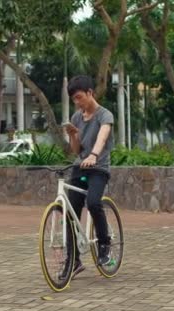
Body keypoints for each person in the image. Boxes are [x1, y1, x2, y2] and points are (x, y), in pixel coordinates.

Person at [61, 75, 115, 279]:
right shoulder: (76, 117)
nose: (77, 102)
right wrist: (73, 135)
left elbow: (102, 136)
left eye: (79, 97)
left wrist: (93, 155)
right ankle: (73, 260)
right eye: (74, 99)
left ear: (90, 93)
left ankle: (105, 246)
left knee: (93, 203)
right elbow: (76, 150)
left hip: (98, 167)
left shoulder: (105, 115)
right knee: (70, 212)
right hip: (80, 167)